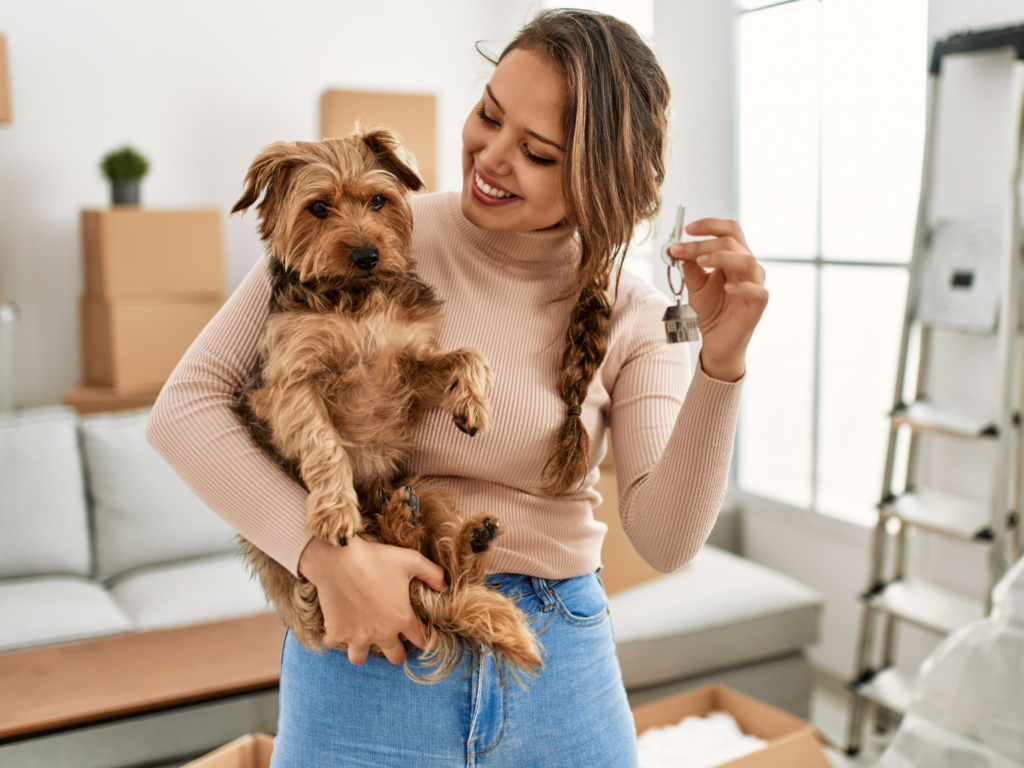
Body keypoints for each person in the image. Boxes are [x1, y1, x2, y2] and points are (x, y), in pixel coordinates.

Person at [147, 9, 766, 767]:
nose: (490, 157)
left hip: (559, 674)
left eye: (536, 152)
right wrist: (324, 555)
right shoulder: (374, 236)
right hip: (366, 659)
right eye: (489, 114)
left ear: (599, 180)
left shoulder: (639, 313)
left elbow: (666, 540)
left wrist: (721, 364)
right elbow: (184, 409)